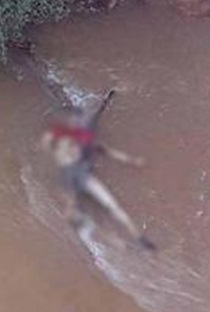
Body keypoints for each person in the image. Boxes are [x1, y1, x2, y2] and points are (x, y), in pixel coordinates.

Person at [41, 89, 156, 250]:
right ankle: (123, 240)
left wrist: (132, 161)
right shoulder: (76, 139)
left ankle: (136, 238)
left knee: (108, 207)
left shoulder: (80, 139)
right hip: (74, 177)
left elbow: (105, 149)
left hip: (80, 177)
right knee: (88, 209)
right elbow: (104, 149)